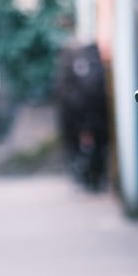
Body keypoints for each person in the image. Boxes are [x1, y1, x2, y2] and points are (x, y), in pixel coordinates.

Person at [54, 40, 108, 190]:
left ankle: (90, 177)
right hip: (89, 117)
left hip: (80, 118)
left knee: (89, 149)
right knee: (95, 148)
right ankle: (92, 177)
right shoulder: (91, 63)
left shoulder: (68, 66)